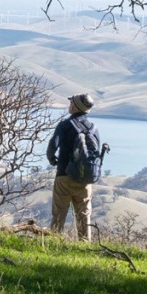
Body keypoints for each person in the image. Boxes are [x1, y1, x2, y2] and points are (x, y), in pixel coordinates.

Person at [45, 94, 107, 239]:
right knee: (84, 216)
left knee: (59, 214)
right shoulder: (93, 128)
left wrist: (52, 159)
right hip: (85, 179)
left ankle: (55, 242)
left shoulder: (65, 125)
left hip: (64, 177)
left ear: (75, 106)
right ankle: (85, 245)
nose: (69, 105)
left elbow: (53, 145)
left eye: (71, 102)